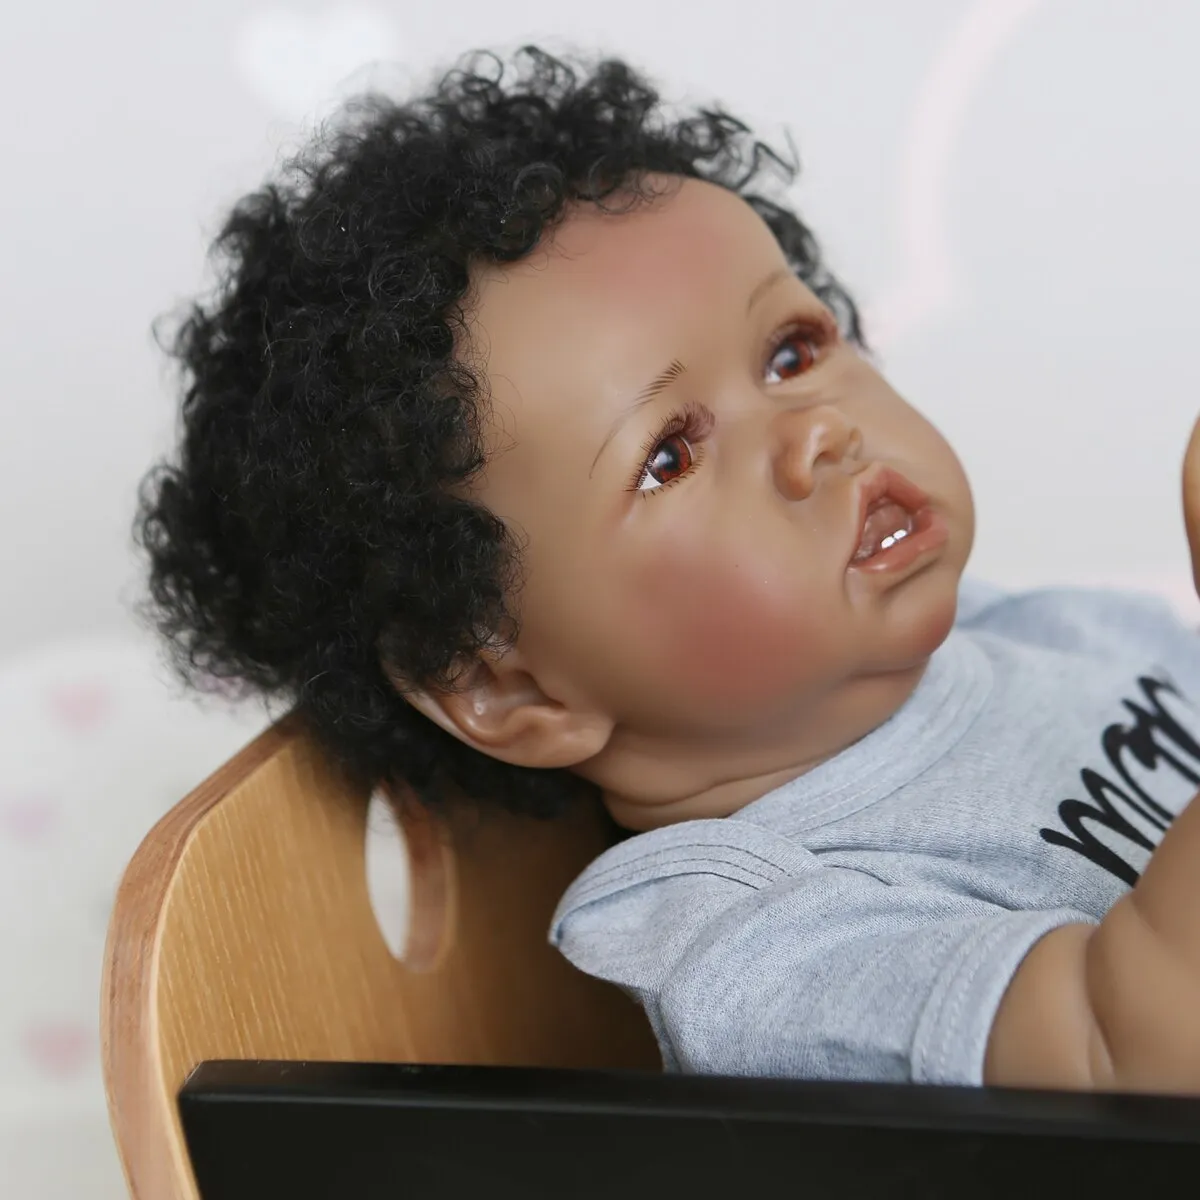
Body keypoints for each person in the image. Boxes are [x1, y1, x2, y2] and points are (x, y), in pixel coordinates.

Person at [137, 45, 1200, 1094]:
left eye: (790, 352)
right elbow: (1130, 1052)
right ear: (512, 687)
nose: (817, 431)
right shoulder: (741, 931)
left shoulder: (1035, 632)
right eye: (669, 456)